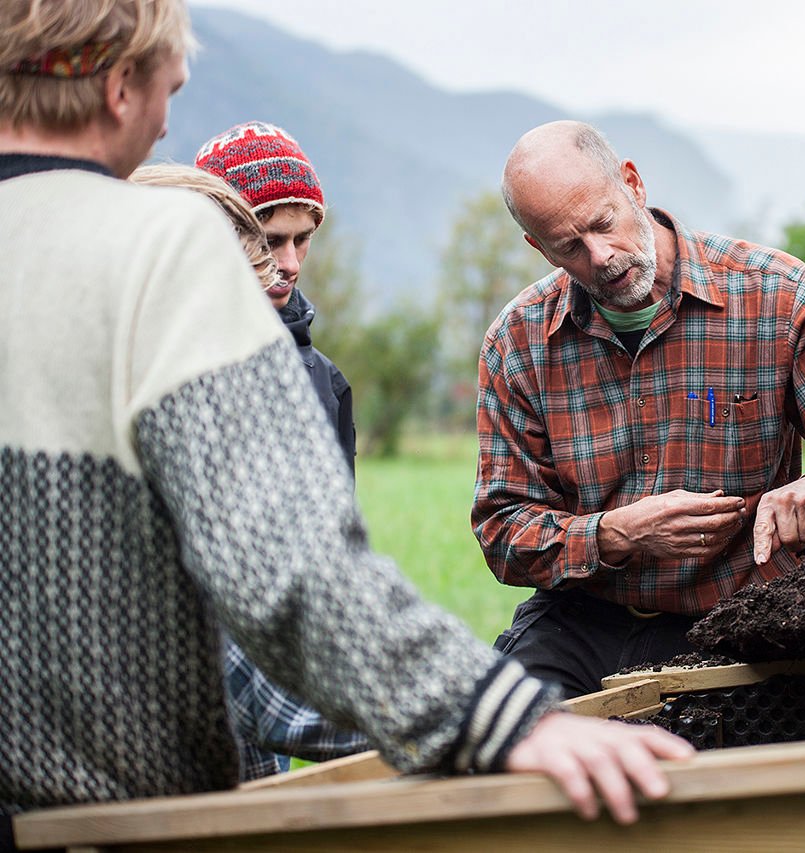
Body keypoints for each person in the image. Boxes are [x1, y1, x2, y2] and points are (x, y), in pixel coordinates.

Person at [0, 3, 691, 845]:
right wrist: (504, 718)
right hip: (110, 824)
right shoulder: (159, 249)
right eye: (166, 93)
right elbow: (291, 574)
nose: (164, 124)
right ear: (116, 87)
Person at [474, 120, 805, 698]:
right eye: (570, 247)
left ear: (633, 184)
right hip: (580, 623)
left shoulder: (774, 295)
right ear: (539, 248)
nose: (601, 256)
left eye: (603, 223)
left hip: (740, 620)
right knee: (502, 744)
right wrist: (616, 535)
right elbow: (502, 528)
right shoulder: (518, 342)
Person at [130, 163, 370, 779]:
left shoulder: (310, 382)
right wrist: (477, 723)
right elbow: (246, 676)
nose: (287, 267)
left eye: (300, 242)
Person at [195, 120, 355, 472]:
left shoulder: (329, 385)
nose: (290, 264)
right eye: (270, 241)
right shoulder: (166, 361)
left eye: (302, 239)